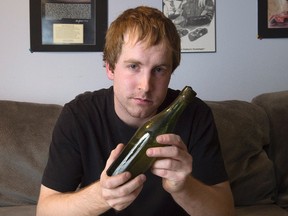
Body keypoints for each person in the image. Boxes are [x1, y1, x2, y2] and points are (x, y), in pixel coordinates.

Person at [36, 6, 235, 216]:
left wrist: (185, 188)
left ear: (171, 72)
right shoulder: (78, 116)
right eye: (133, 66)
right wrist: (102, 195)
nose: (146, 86)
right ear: (110, 68)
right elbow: (45, 211)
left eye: (159, 70)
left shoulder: (195, 114)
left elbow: (225, 212)